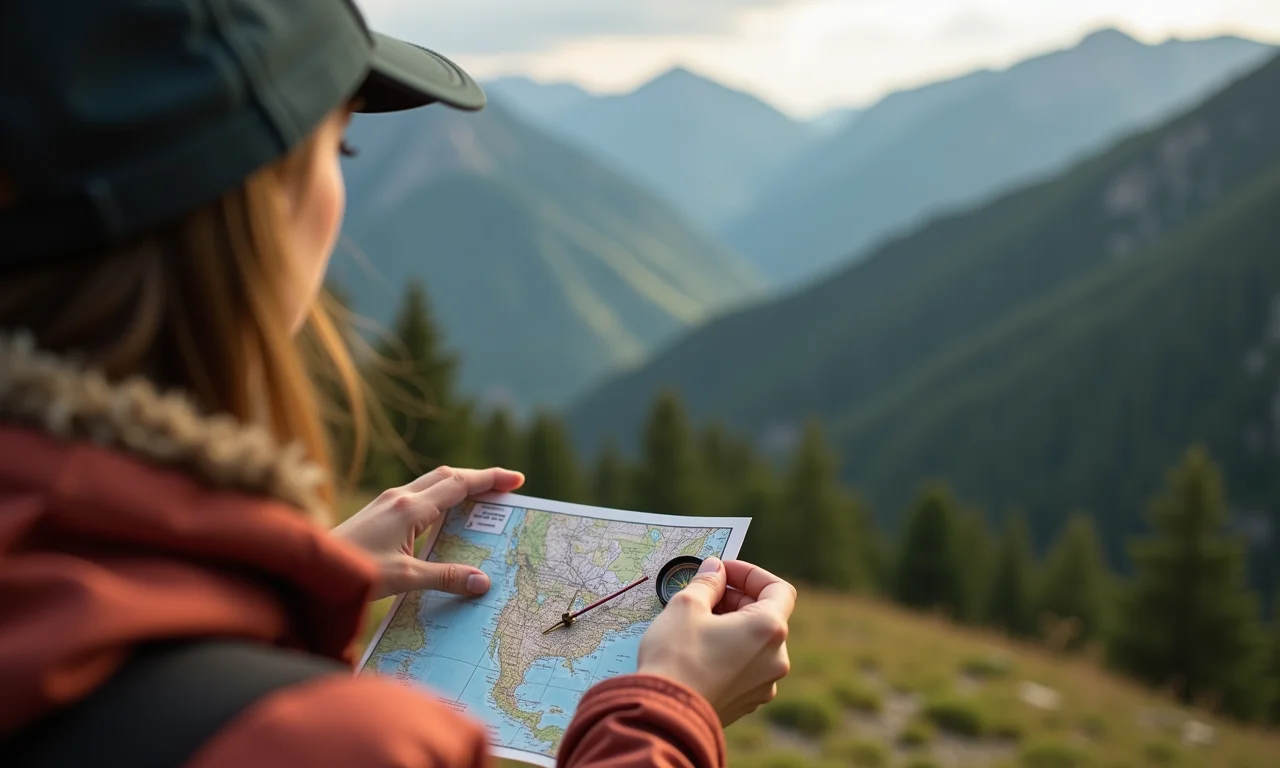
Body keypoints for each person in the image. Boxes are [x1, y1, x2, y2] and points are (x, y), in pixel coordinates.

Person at [0, 1, 796, 766]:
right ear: (258, 206)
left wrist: (296, 588)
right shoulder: (332, 746)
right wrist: (664, 712)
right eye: (337, 149)